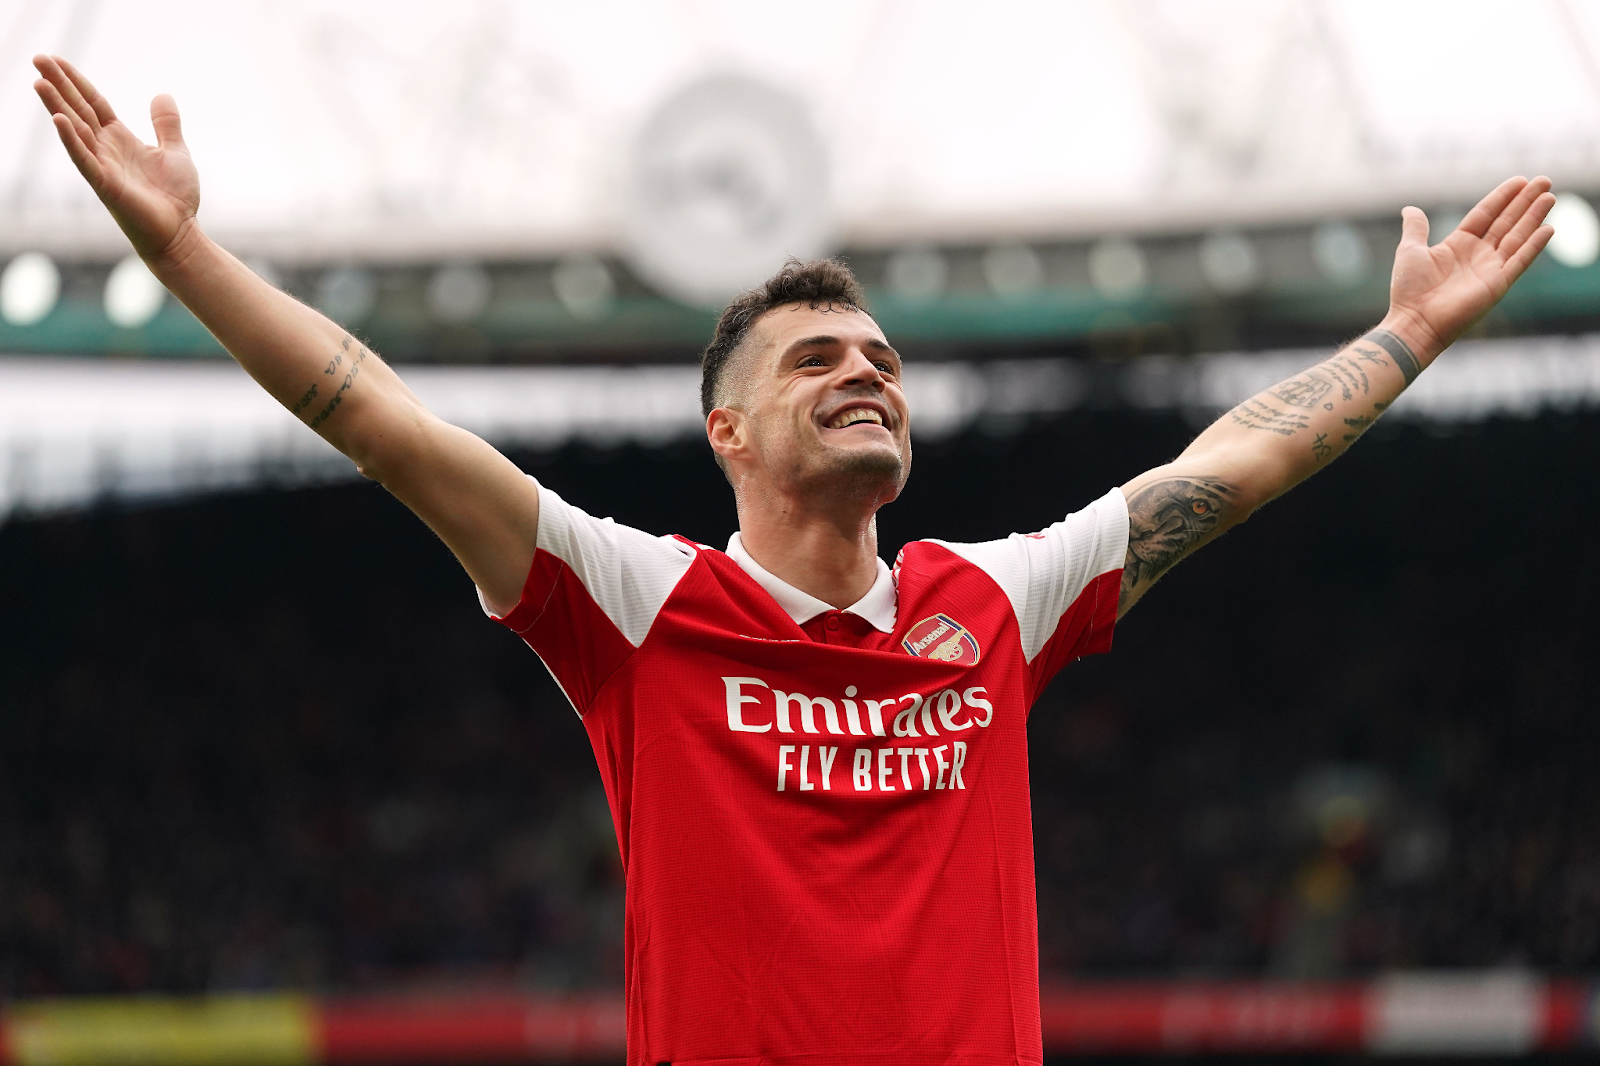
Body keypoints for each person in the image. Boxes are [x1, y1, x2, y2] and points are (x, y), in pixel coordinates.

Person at [32, 53, 1554, 1065]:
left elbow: (1230, 467)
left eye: (881, 358)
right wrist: (184, 255)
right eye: (816, 358)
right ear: (729, 431)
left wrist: (1407, 334)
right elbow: (381, 419)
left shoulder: (994, 600)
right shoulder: (639, 604)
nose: (865, 372)